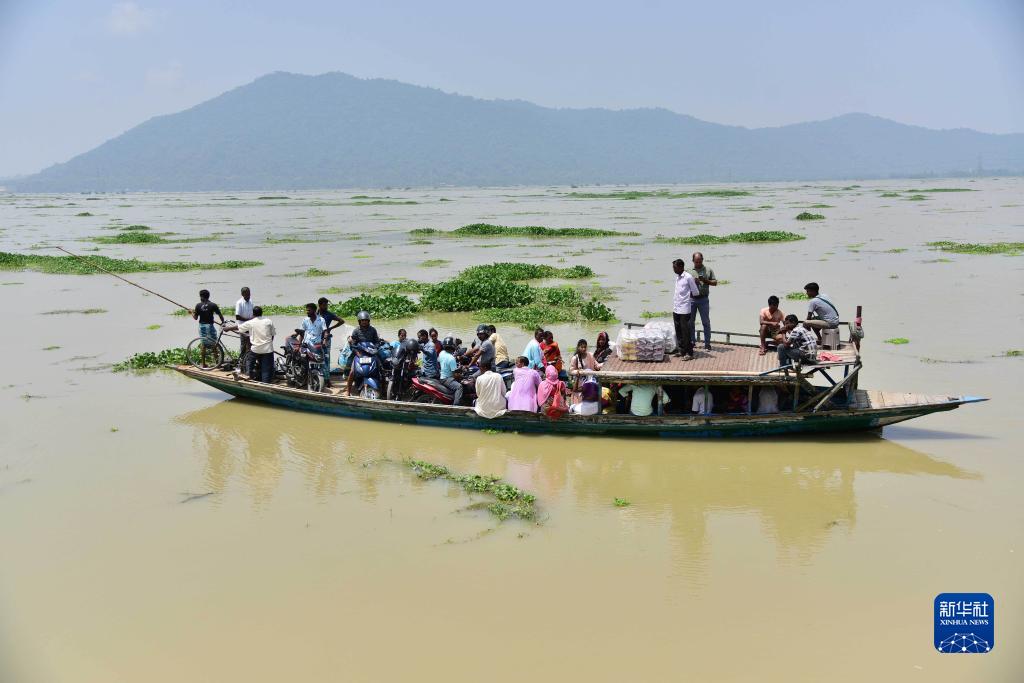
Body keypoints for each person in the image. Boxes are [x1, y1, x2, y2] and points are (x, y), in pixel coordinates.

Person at [232, 306, 275, 383]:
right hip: (268, 349)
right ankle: (265, 383)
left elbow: (239, 327)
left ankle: (249, 375)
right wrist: (268, 343)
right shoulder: (269, 321)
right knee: (266, 369)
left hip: (256, 349)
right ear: (262, 313)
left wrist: (227, 328)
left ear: (253, 314)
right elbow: (272, 335)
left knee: (249, 361)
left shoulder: (251, 322)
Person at [671, 258, 700, 360]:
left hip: (684, 309)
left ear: (681, 267)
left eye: (675, 267)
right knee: (678, 330)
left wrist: (687, 299)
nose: (673, 269)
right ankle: (681, 350)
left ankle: (689, 353)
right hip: (676, 308)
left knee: (685, 331)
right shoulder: (678, 277)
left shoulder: (688, 277)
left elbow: (695, 292)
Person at [688, 252, 717, 351]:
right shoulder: (688, 271)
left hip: (703, 299)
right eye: (696, 262)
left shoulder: (708, 270)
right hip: (691, 299)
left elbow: (715, 282)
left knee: (706, 322)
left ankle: (707, 344)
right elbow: (684, 285)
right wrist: (693, 282)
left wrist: (705, 280)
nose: (698, 263)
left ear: (702, 260)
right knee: (690, 322)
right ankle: (692, 342)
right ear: (693, 261)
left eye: (700, 261)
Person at [347, 311, 380, 395]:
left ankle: (383, 388)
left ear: (368, 321)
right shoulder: (356, 331)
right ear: (359, 321)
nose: (364, 322)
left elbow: (377, 341)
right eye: (362, 320)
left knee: (380, 369)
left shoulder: (373, 330)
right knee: (352, 372)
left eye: (366, 320)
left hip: (371, 353)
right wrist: (356, 352)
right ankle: (348, 391)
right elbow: (353, 344)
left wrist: (376, 348)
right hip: (359, 353)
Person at [191, 289, 225, 366]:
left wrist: (191, 312)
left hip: (202, 327)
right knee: (214, 344)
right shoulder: (213, 305)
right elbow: (220, 315)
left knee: (203, 344)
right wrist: (223, 323)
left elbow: (195, 318)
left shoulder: (198, 305)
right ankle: (217, 362)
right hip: (210, 326)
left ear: (202, 297)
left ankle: (203, 364)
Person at [317, 297, 344, 387]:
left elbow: (342, 321)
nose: (326, 307)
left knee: (326, 359)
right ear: (319, 305)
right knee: (316, 358)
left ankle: (327, 380)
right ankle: (318, 377)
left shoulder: (329, 314)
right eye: (324, 305)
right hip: (316, 339)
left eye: (327, 305)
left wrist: (331, 328)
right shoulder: (315, 314)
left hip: (326, 339)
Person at [438, 336, 463, 406]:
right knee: (459, 387)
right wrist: (461, 376)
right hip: (447, 379)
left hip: (442, 376)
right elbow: (455, 375)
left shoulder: (441, 353)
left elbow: (443, 364)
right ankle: (456, 406)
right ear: (453, 346)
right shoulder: (451, 358)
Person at [235, 287, 255, 375]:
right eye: (247, 294)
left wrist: (253, 319)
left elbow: (253, 314)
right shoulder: (239, 303)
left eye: (249, 293)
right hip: (243, 327)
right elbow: (237, 316)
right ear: (242, 294)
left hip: (250, 327)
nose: (248, 295)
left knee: (250, 346)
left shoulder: (251, 301)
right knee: (243, 346)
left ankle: (249, 365)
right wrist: (248, 320)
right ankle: (242, 365)